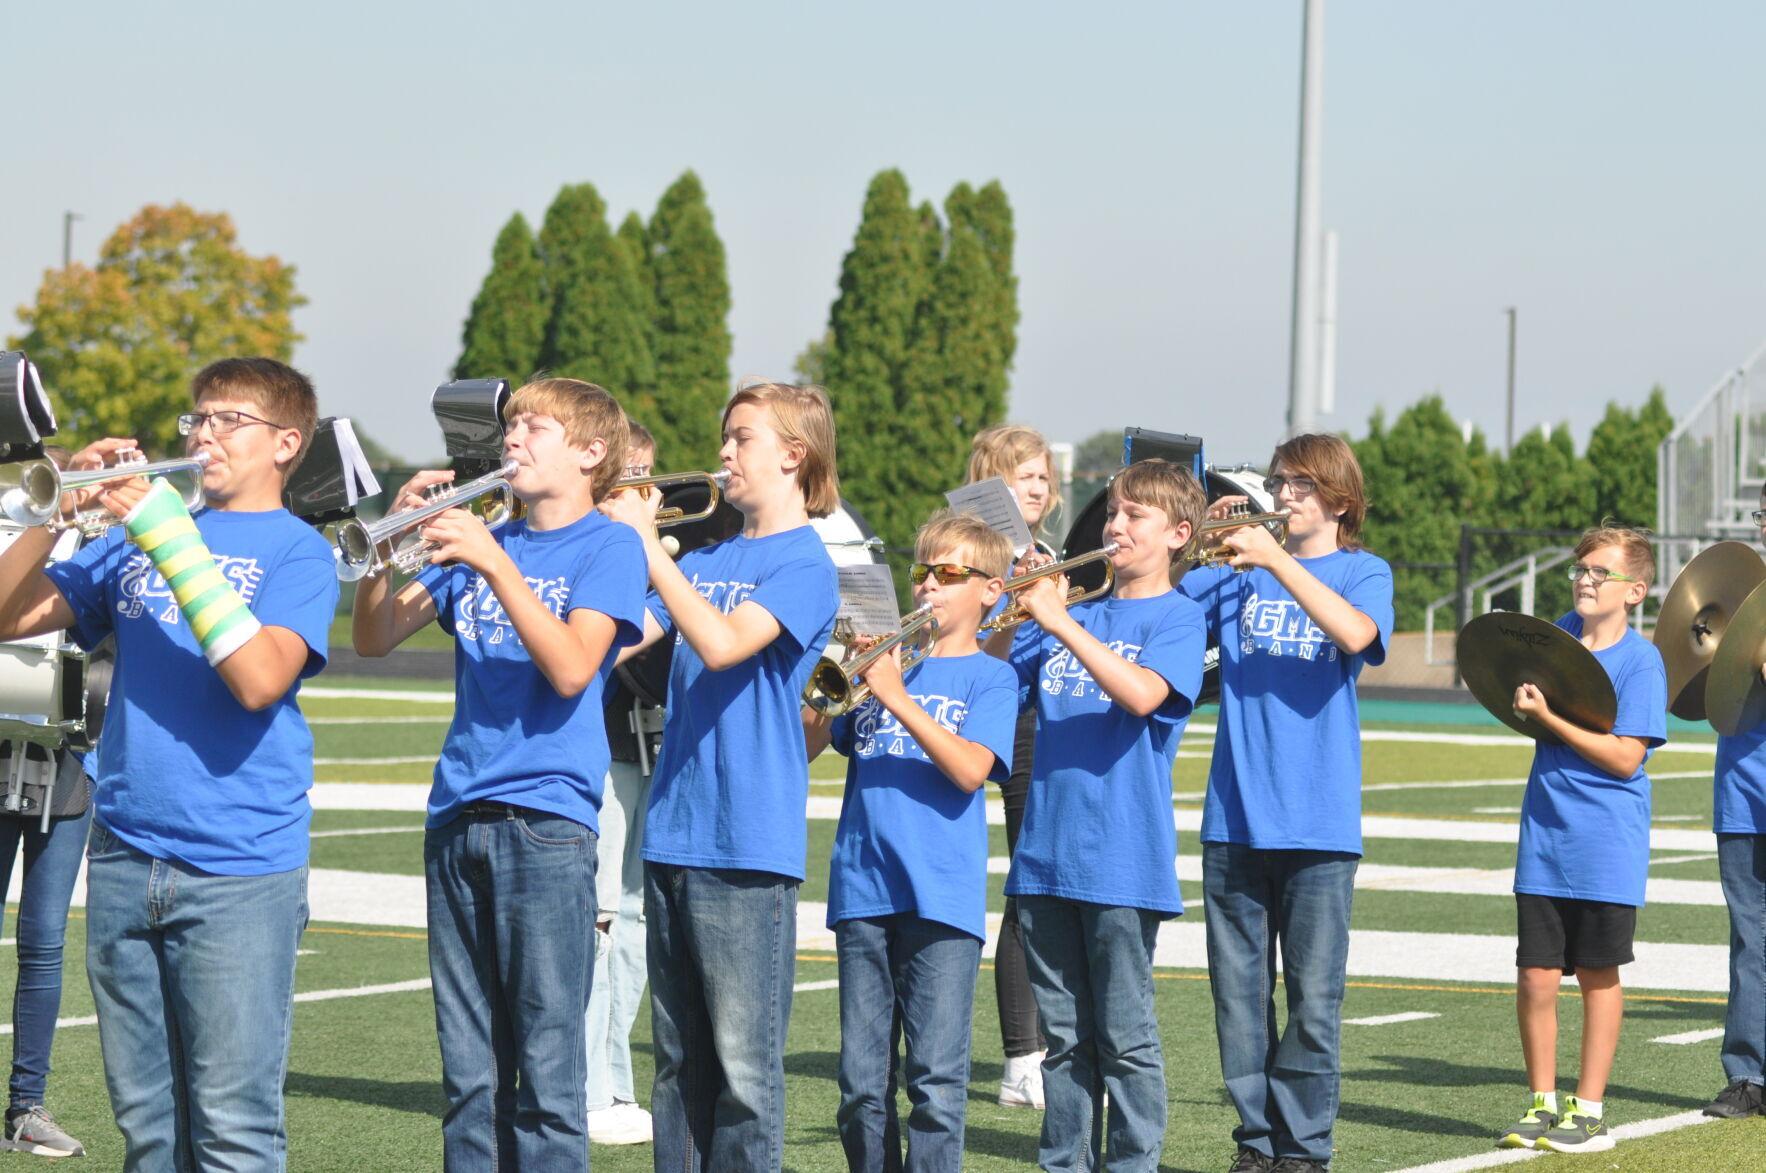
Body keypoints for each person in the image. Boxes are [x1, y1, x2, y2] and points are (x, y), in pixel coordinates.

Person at [0, 357, 337, 1170]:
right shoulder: (136, 536)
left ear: (286, 442)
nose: (204, 435)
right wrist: (58, 506)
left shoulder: (300, 552)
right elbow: (7, 614)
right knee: (148, 1130)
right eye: (199, 418)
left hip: (237, 868)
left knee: (232, 1129)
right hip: (122, 854)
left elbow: (259, 679)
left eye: (230, 420)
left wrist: (166, 533)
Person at [353, 377, 645, 1168]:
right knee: (469, 1074)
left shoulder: (608, 545)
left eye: (534, 428)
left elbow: (573, 667)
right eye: (511, 427)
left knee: (548, 1078)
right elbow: (376, 636)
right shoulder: (487, 535)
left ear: (589, 453)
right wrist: (386, 547)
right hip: (456, 815)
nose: (512, 440)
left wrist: (493, 559)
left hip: (545, 822)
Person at [599, 380, 840, 1172]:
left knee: (743, 1078)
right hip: (672, 826)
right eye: (726, 437)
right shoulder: (706, 556)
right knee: (678, 1069)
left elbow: (727, 641)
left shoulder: (806, 563)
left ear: (792, 456)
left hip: (746, 839)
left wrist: (646, 550)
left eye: (742, 438)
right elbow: (622, 638)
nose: (723, 453)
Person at [1178, 433, 1394, 1173]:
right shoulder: (1235, 570)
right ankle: (1255, 1142)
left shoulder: (1365, 571)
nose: (1284, 495)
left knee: (1311, 999)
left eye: (1299, 484)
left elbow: (1357, 634)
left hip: (1318, 821)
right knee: (1239, 1000)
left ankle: (1303, 1148)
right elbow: (1163, 608)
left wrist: (1275, 561)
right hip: (1234, 816)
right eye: (1278, 482)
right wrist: (1194, 534)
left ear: (1339, 499)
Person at [996, 458, 1208, 1172]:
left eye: (1134, 516)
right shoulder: (1073, 612)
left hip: (1120, 859)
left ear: (1179, 533)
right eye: (1113, 512)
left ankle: (1132, 1163)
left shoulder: (1178, 616)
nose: (1114, 526)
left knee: (1124, 1037)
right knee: (1064, 1040)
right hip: (1044, 857)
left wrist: (1057, 619)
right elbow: (995, 680)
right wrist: (1007, 606)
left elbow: (1143, 694)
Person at [805, 510, 1019, 1172]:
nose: (928, 585)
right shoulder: (881, 669)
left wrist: (895, 695)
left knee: (934, 1084)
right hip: (863, 889)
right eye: (921, 571)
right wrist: (837, 668)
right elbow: (805, 744)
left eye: (949, 573)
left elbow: (969, 771)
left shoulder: (992, 677)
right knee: (861, 1086)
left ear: (991, 589)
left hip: (941, 900)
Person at [1494, 526, 1666, 1154]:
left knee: (1597, 973)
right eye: (1581, 570)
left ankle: (1587, 1107)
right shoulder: (1557, 639)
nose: (1586, 580)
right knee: (1535, 977)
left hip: (1605, 842)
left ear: (1636, 591)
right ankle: (1541, 1102)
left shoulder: (1642, 661)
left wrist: (1549, 720)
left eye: (1601, 573)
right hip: (1544, 836)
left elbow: (1625, 760)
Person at [965, 423, 1060, 1109]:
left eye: (1044, 474)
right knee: (1028, 887)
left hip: (1056, 718)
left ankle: (1049, 1046)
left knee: (1050, 885)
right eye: (1023, 473)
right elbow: (972, 652)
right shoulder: (974, 554)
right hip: (1014, 722)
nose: (1039, 484)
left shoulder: (1050, 551)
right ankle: (1022, 1059)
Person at [0, 449, 91, 1161]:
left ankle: (26, 1106)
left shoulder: (95, 530)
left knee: (44, 940)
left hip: (69, 757)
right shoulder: (11, 514)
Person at [586, 420, 662, 1146]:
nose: (638, 489)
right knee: (600, 917)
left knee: (637, 918)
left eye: (646, 474)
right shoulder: (592, 549)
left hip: (654, 746)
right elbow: (615, 645)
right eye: (624, 474)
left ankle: (617, 1076)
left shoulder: (657, 551)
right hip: (602, 750)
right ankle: (588, 1084)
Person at [1703, 491, 1766, 1121]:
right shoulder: (1743, 597)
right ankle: (1747, 1075)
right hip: (1744, 791)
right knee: (1751, 939)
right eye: (1764, 516)